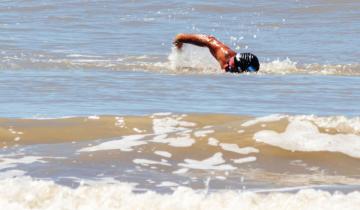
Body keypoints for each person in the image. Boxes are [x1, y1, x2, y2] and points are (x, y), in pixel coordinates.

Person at [173, 33, 260, 73]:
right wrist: (178, 53)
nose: (226, 66)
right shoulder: (222, 52)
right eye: (228, 64)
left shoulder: (240, 68)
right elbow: (179, 37)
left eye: (231, 69)